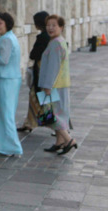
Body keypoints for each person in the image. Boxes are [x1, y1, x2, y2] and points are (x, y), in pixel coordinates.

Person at [0, 12, 23, 156]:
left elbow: (3, 59)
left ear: (7, 24)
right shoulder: (10, 37)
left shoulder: (6, 40)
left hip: (7, 80)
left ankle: (13, 146)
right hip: (10, 79)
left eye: (0, 23)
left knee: (5, 113)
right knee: (1, 111)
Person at [39, 14, 77, 155]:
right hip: (60, 84)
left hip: (53, 85)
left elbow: (53, 67)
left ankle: (68, 140)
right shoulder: (59, 41)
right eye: (48, 25)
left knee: (53, 114)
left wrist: (47, 86)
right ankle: (59, 141)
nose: (50, 28)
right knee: (57, 113)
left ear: (61, 27)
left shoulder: (55, 44)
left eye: (54, 25)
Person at [18, 11, 50, 132]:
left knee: (42, 99)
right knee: (38, 98)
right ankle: (29, 123)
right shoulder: (51, 36)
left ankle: (59, 130)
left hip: (42, 73)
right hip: (45, 73)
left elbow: (33, 54)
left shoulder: (43, 37)